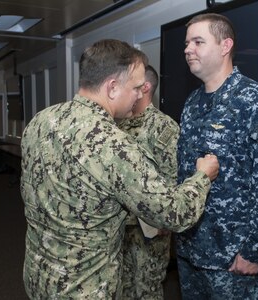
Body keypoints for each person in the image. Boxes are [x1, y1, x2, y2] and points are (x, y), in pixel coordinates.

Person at [20, 39, 219, 299]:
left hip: (39, 277)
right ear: (112, 87)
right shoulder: (113, 144)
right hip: (84, 287)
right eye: (136, 88)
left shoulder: (41, 120)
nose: (140, 95)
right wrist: (203, 176)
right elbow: (174, 213)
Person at [175, 13, 258, 299]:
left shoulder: (253, 100)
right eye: (186, 43)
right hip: (190, 252)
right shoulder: (192, 104)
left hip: (231, 260)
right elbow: (184, 174)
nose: (187, 49)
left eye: (198, 41)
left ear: (225, 45)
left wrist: (256, 251)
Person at [118, 65, 179, 299]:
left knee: (147, 290)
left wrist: (165, 222)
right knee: (122, 288)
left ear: (145, 88)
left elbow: (172, 179)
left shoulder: (164, 127)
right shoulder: (118, 125)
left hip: (150, 230)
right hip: (121, 226)